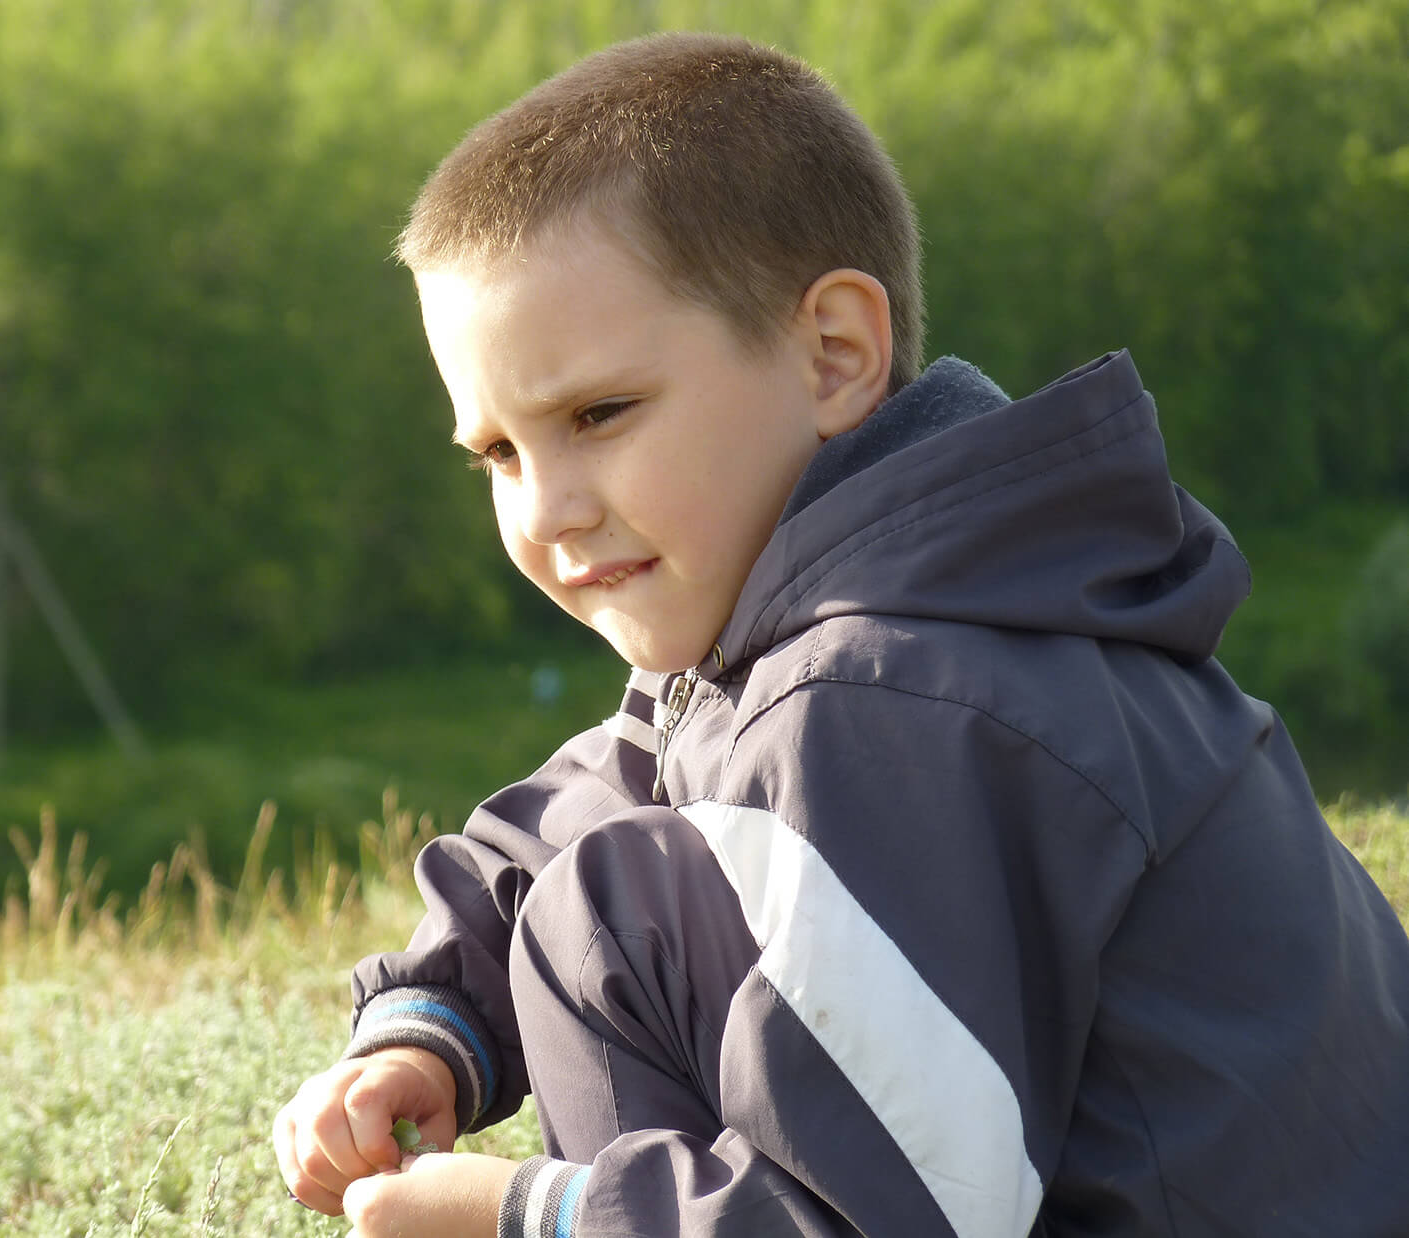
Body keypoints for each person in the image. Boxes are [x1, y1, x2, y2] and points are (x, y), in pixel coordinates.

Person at [272, 31, 1409, 1238]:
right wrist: (425, 1027)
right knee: (618, 885)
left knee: (606, 907)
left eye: (599, 413)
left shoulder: (884, 700)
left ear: (833, 354)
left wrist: (535, 1215)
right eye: (500, 452)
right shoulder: (884, 599)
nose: (546, 509)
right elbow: (580, 807)